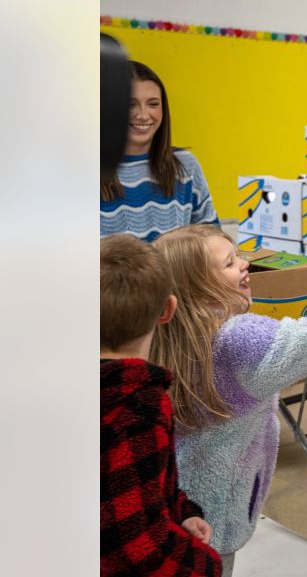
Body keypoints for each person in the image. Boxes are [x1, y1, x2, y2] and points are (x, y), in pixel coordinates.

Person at [150, 225, 307, 572]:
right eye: (230, 263)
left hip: (168, 503)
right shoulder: (239, 339)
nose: (245, 265)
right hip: (214, 518)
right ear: (199, 286)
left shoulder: (165, 336)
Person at [99, 234, 222, 577]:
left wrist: (181, 511)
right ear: (168, 309)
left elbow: (135, 484)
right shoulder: (138, 405)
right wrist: (205, 565)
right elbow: (135, 544)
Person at [100, 61, 219, 241]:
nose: (142, 115)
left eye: (153, 104)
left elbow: (212, 238)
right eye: (130, 104)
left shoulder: (185, 164)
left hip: (179, 271)